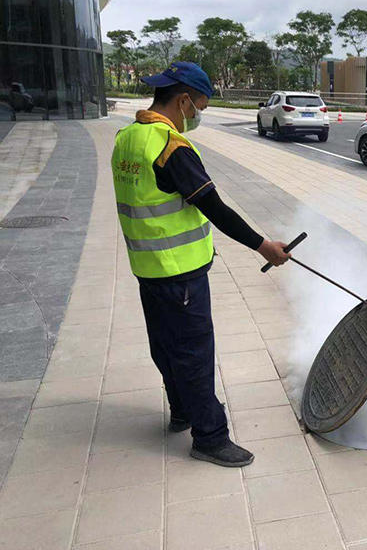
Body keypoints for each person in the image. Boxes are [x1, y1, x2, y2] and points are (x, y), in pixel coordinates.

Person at [111, 62, 291, 467]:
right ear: (184, 100)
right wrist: (263, 246)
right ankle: (209, 436)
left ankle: (181, 410)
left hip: (149, 268)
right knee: (193, 352)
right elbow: (212, 206)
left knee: (165, 346)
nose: (198, 115)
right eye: (201, 107)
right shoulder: (170, 146)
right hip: (180, 273)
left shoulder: (128, 138)